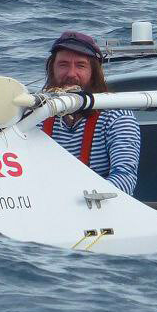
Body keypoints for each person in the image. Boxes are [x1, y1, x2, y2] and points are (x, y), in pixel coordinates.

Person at [40, 30, 141, 195]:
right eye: (63, 64)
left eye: (80, 65)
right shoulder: (37, 116)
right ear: (52, 69)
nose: (71, 74)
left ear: (94, 72)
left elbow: (125, 178)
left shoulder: (116, 117)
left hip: (97, 209)